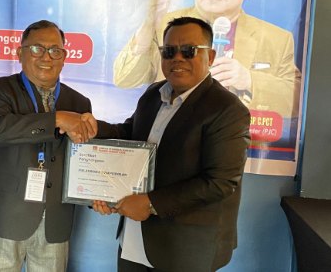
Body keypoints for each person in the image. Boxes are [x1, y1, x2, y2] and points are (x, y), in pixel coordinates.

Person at [94, 16, 251, 272]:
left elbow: (220, 182)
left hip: (185, 249)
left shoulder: (228, 110)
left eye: (189, 51)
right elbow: (129, 134)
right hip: (134, 238)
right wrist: (91, 127)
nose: (177, 58)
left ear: (210, 57)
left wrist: (150, 203)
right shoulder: (153, 95)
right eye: (169, 51)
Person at [113, 0, 301, 118]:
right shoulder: (166, 25)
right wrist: (147, 27)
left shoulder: (276, 39)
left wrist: (249, 79)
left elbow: (298, 100)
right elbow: (124, 79)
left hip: (237, 136)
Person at [0, 20, 96, 272]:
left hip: (55, 219)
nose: (47, 57)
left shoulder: (79, 102)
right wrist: (57, 119)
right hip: (5, 215)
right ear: (20, 53)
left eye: (55, 50)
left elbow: (82, 157)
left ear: (64, 57)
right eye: (37, 49)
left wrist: (99, 192)